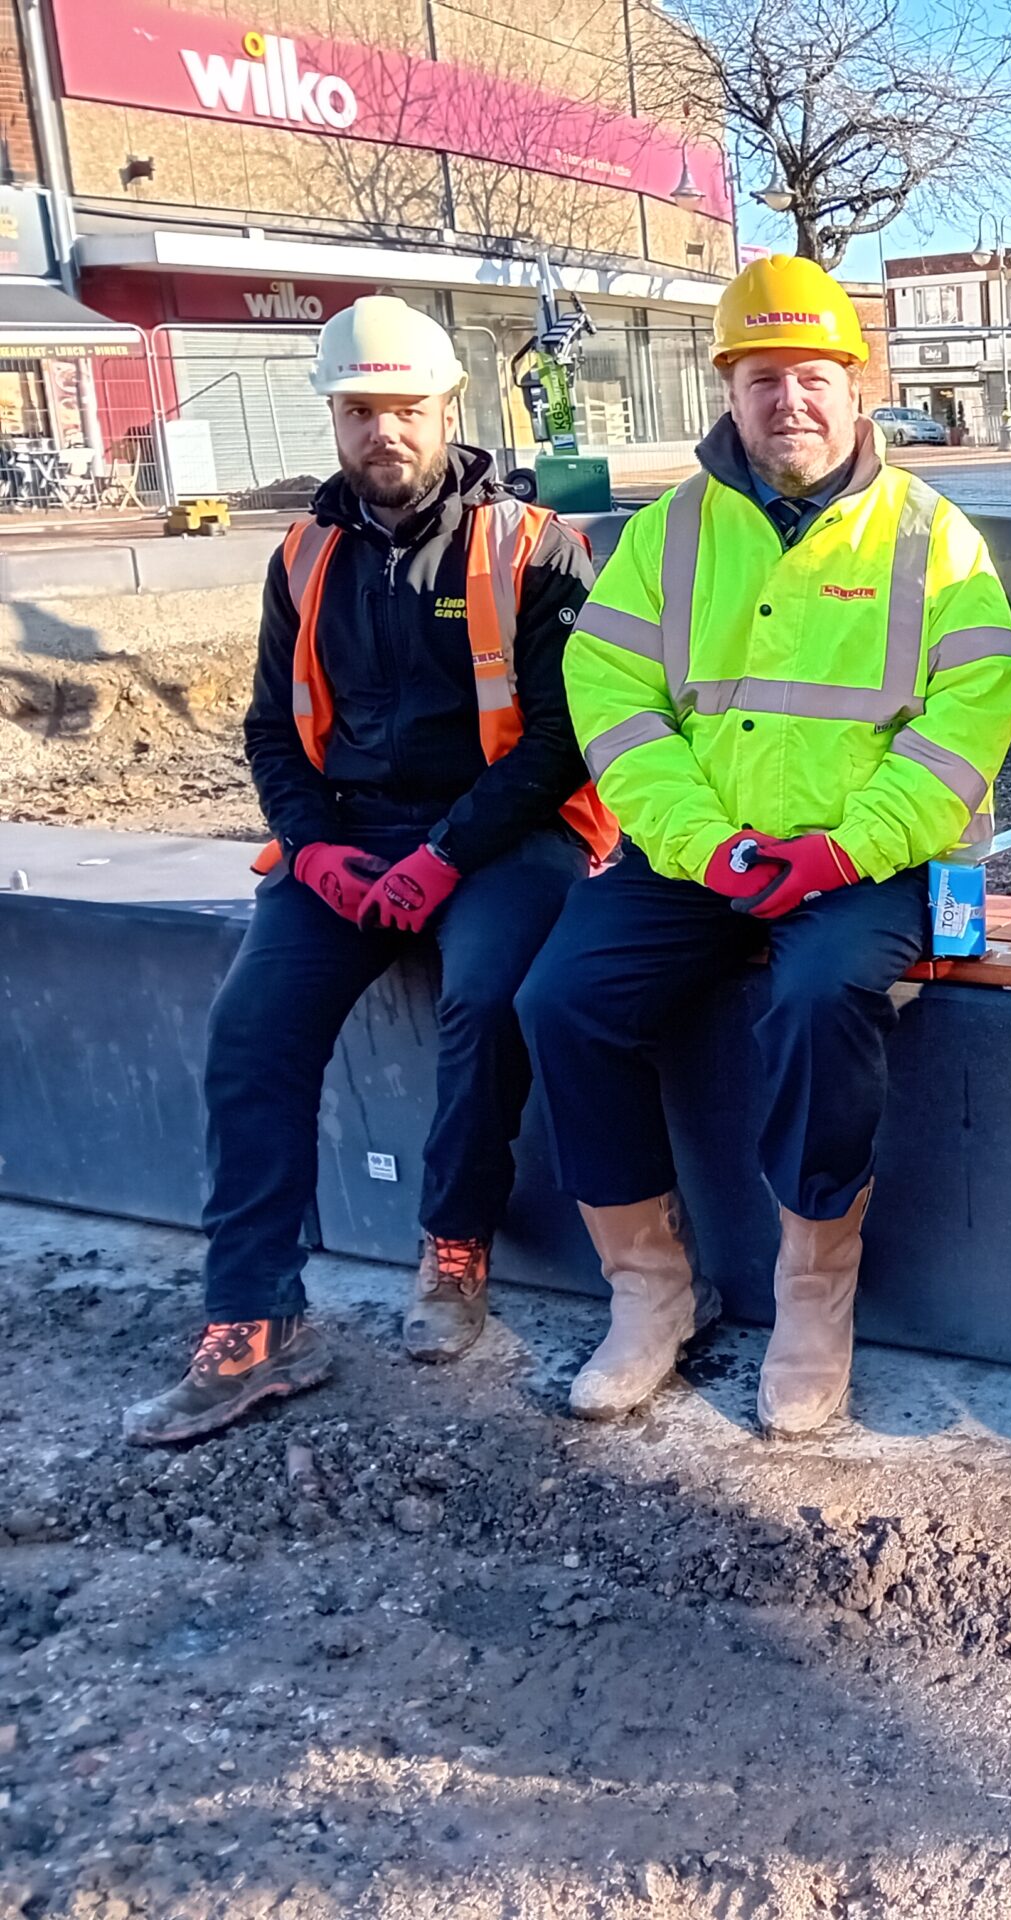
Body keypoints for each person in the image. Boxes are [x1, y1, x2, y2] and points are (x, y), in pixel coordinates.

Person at [515, 257, 1011, 1437]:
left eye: (809, 376)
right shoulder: (668, 532)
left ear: (854, 385)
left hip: (870, 860)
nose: (786, 401)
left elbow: (972, 719)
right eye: (760, 378)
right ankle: (650, 1293)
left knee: (814, 996)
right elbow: (613, 694)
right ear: (728, 389)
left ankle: (812, 1294)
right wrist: (704, 843)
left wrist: (842, 852)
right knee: (562, 1001)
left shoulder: (930, 536)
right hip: (704, 852)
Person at [124, 297, 607, 1446]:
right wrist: (316, 847)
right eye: (357, 411)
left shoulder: (534, 547)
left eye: (401, 408)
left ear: (447, 409)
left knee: (486, 998)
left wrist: (443, 858)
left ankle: (454, 1248)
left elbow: (561, 738)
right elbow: (269, 731)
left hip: (503, 838)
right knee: (251, 1028)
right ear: (333, 420)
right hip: (346, 842)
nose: (381, 430)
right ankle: (255, 1320)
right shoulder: (304, 557)